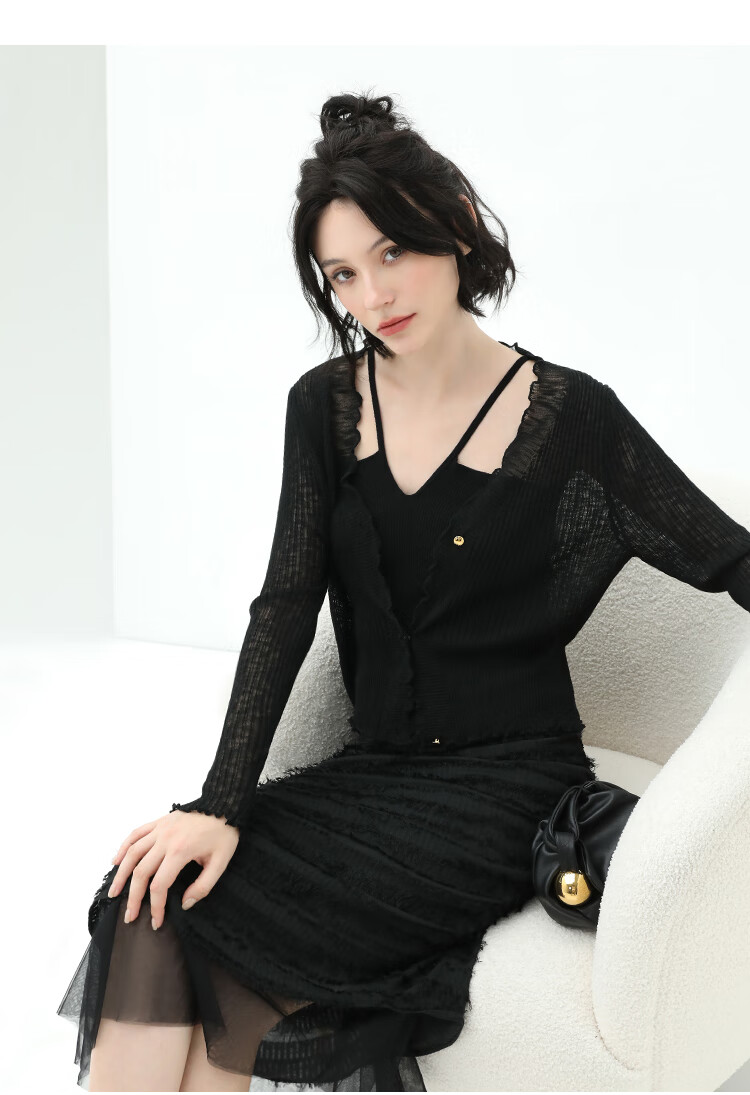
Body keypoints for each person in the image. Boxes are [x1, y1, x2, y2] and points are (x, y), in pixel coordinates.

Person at [56, 91, 750, 1092]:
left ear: (455, 225)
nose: (373, 294)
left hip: (504, 790)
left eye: (392, 252)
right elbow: (285, 604)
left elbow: (726, 556)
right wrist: (219, 804)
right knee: (152, 903)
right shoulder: (324, 408)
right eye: (343, 273)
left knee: (204, 940)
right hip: (370, 769)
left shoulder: (573, 419)